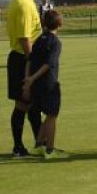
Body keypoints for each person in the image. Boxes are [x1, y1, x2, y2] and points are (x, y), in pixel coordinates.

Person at [6, 0, 43, 157]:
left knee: (30, 104)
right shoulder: (23, 4)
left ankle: (40, 143)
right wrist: (32, 62)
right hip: (24, 59)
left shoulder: (20, 0)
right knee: (23, 104)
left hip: (22, 57)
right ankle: (19, 147)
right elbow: (24, 37)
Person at [24, 9, 64, 159]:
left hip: (37, 86)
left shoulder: (39, 40)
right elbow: (49, 64)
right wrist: (32, 78)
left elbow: (30, 60)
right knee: (52, 115)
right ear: (59, 24)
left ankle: (39, 145)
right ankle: (50, 149)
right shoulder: (55, 42)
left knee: (47, 115)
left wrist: (28, 80)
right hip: (48, 84)